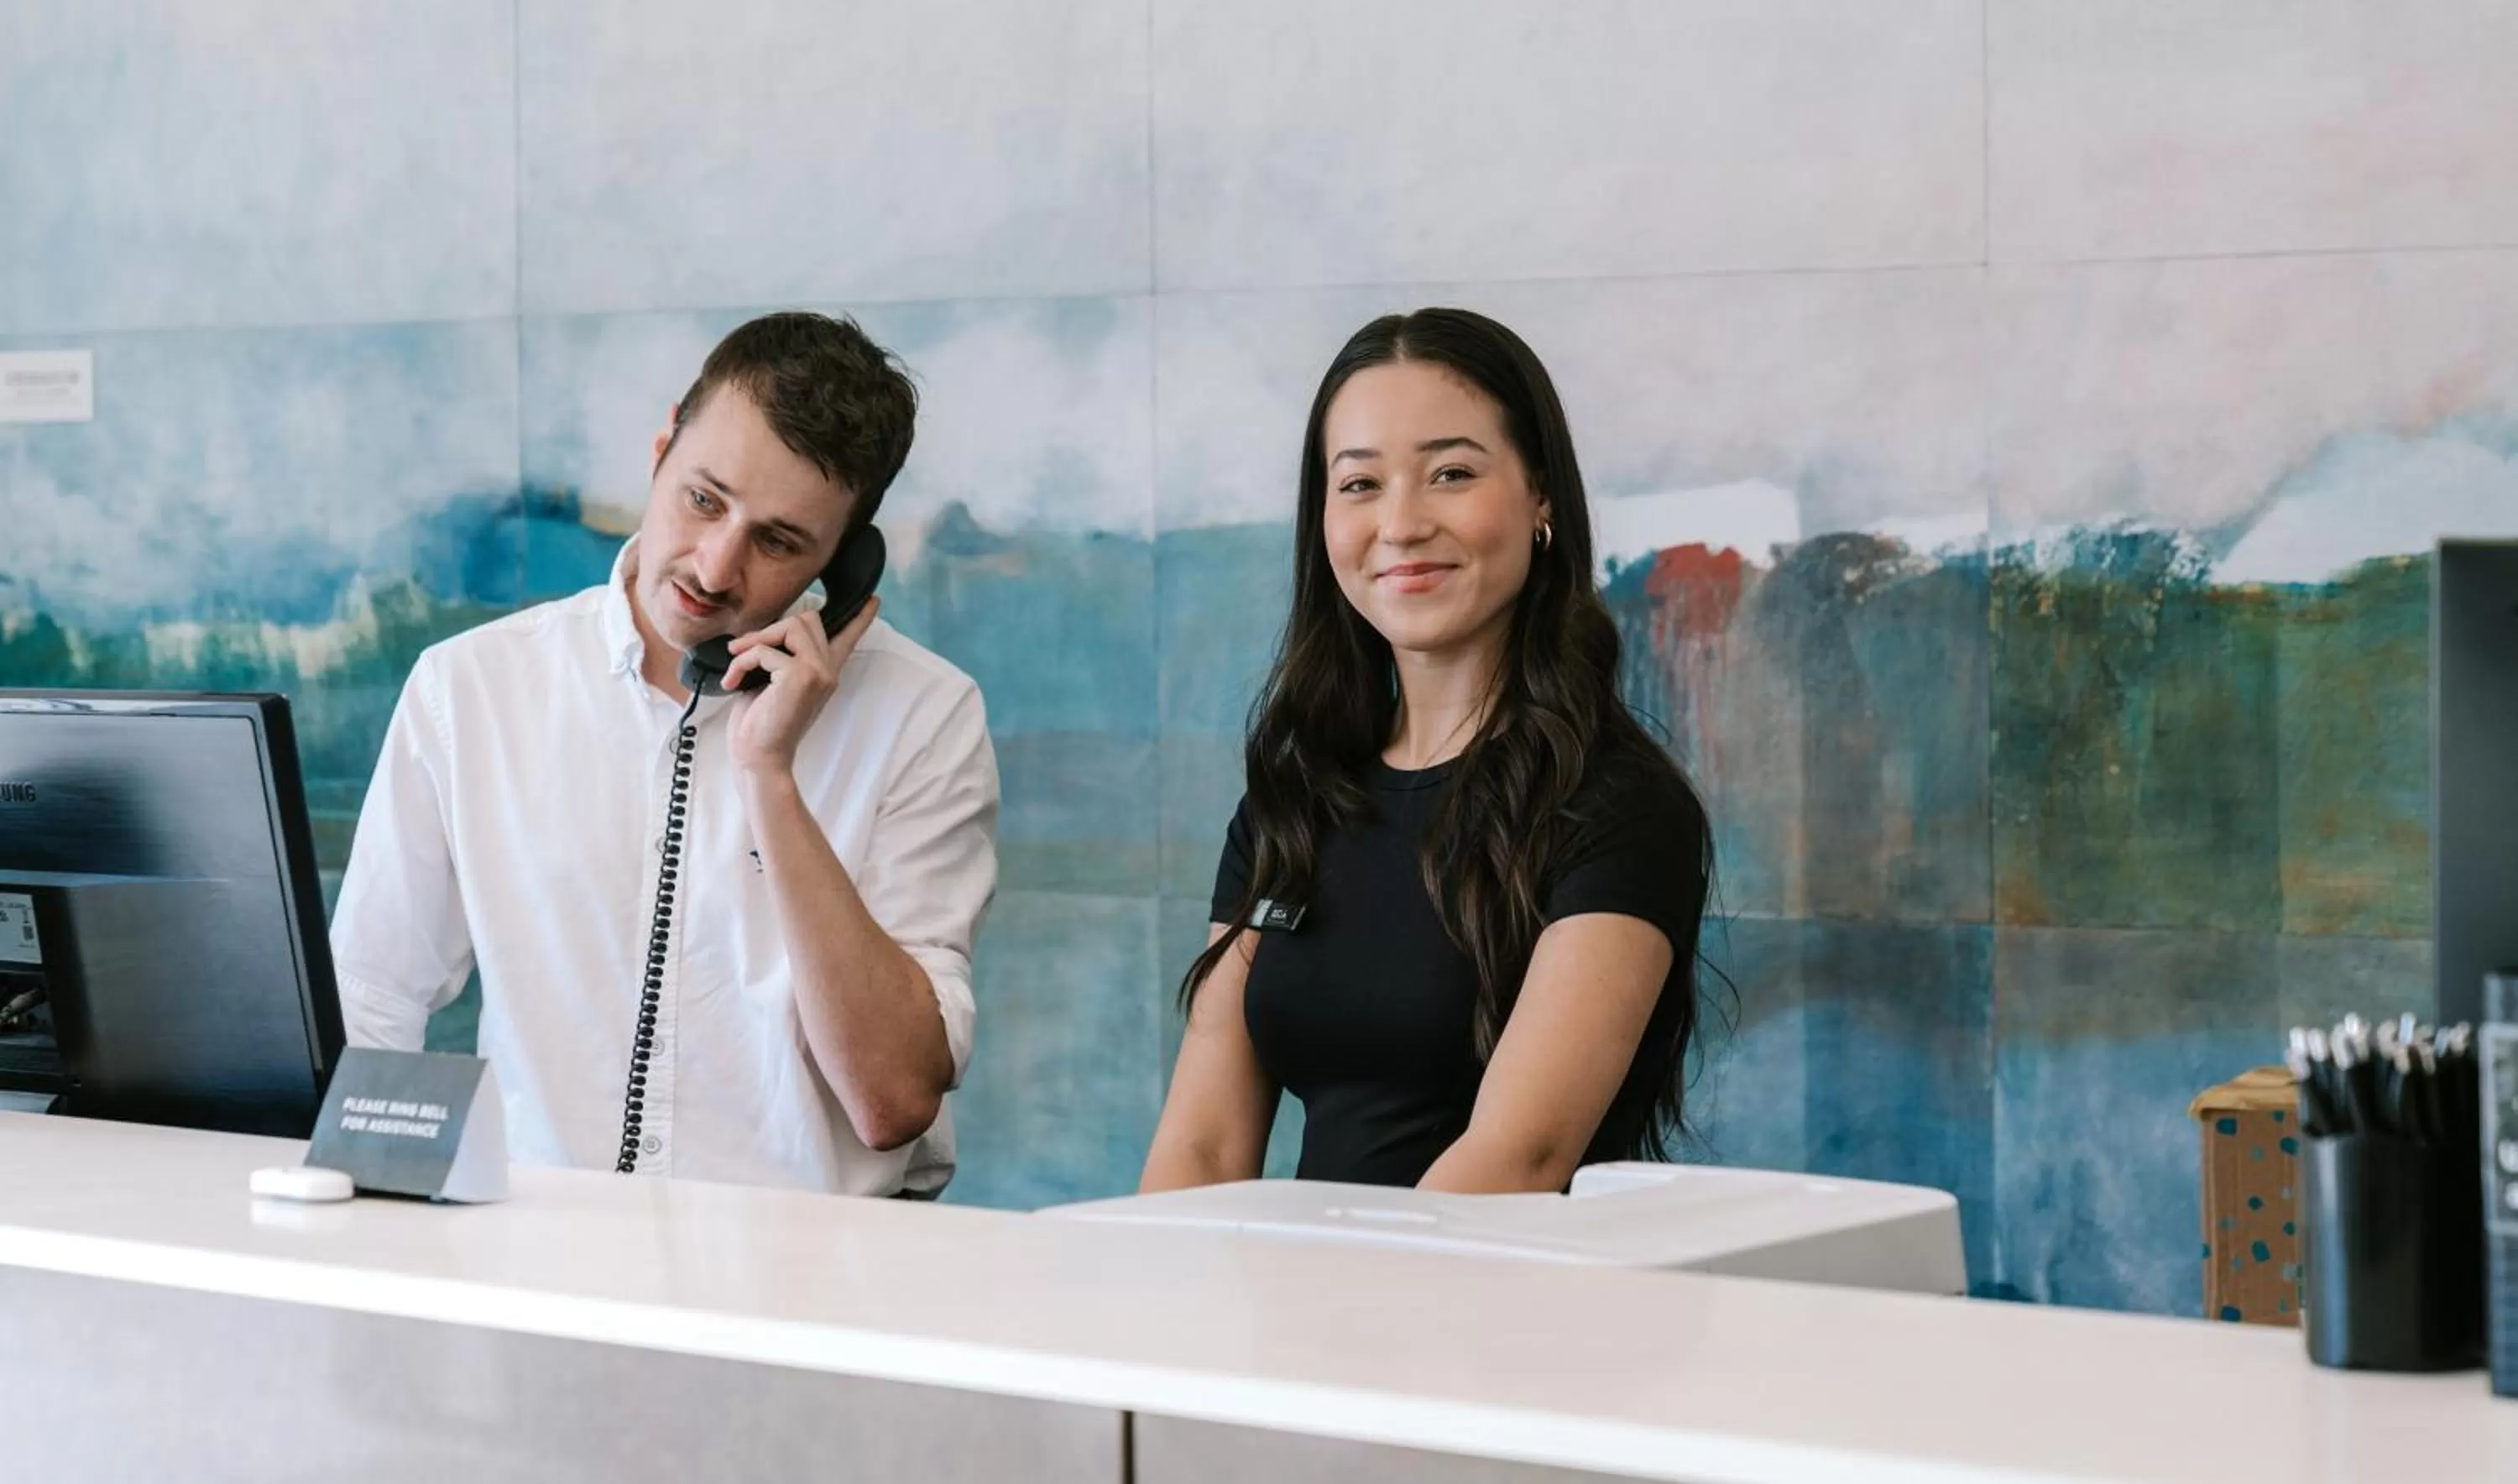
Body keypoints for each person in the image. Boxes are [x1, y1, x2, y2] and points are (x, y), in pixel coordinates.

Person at [331, 312, 998, 1196]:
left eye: (779, 540)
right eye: (704, 499)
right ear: (658, 453)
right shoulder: (469, 689)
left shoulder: (926, 715)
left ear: (844, 565)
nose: (717, 568)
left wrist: (769, 772)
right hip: (539, 1261)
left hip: (817, 1284)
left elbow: (893, 1100)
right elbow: (371, 1003)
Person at [1141, 307, 1711, 1194]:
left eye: (1450, 472)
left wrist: (1345, 1322)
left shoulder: (1617, 805)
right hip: (1295, 1311)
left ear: (1541, 498)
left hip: (1494, 1314)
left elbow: (1518, 1158)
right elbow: (1204, 1147)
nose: (1401, 524)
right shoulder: (1294, 800)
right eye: (1361, 484)